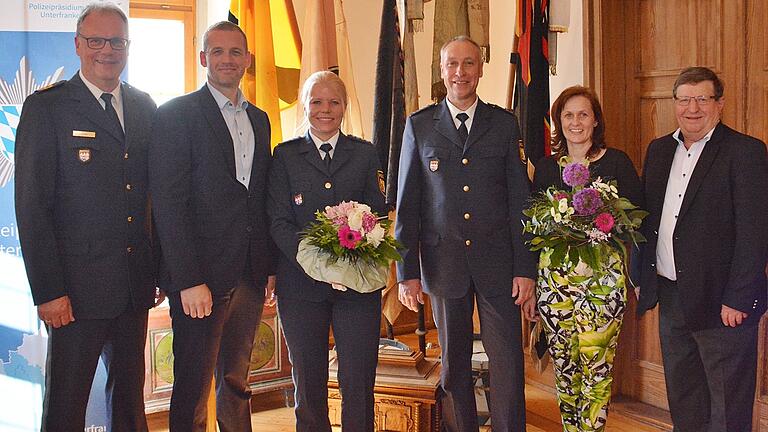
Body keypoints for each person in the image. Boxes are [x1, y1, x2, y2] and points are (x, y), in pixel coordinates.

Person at [14, 3, 157, 431]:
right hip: (74, 295)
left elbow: (152, 197)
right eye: (96, 40)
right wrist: (49, 291)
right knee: (66, 408)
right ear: (78, 45)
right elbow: (33, 207)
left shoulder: (144, 106)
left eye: (117, 41)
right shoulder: (48, 109)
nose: (107, 50)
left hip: (133, 288)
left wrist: (159, 272)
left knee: (131, 406)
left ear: (127, 47)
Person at [395, 35, 536, 432]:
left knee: (507, 362)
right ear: (442, 71)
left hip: (499, 265)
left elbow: (518, 202)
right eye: (452, 64)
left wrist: (525, 269)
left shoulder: (503, 123)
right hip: (443, 265)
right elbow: (408, 205)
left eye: (469, 64)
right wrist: (407, 272)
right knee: (454, 363)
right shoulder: (419, 125)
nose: (461, 72)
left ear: (480, 69)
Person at [149, 21, 275, 432]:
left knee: (237, 380)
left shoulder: (259, 119)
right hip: (199, 278)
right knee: (192, 382)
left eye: (235, 52)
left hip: (250, 274)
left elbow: (258, 198)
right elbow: (168, 203)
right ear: (203, 58)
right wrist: (187, 279)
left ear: (247, 60)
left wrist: (268, 265)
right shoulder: (175, 115)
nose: (226, 59)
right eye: (217, 51)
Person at [636, 66, 768, 432]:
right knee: (684, 395)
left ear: (719, 104)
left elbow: (755, 232)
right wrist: (641, 276)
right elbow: (649, 220)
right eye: (684, 99)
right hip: (672, 294)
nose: (692, 108)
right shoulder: (660, 150)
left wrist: (740, 298)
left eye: (702, 99)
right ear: (674, 103)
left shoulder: (745, 152)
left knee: (728, 405)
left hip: (723, 302)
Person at [267, 70, 386, 432]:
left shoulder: (365, 154)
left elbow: (376, 216)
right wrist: (319, 264)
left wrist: (348, 260)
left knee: (358, 381)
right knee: (308, 381)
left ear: (345, 107)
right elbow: (278, 221)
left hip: (357, 288)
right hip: (301, 288)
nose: (325, 109)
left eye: (334, 102)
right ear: (305, 106)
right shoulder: (285, 156)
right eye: (316, 101)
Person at [528, 86, 642, 431]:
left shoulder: (616, 162)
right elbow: (532, 229)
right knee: (564, 366)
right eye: (568, 115)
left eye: (583, 114)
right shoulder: (546, 168)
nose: (575, 122)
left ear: (595, 121)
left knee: (597, 365)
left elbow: (637, 219)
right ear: (558, 122)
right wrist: (533, 287)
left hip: (602, 285)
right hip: (555, 286)